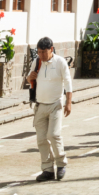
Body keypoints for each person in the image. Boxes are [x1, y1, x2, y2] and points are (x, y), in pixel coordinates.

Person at [27, 36, 72, 182]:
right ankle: (47, 170)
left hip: (56, 105)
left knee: (53, 135)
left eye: (43, 52)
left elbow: (68, 83)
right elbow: (30, 80)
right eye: (38, 52)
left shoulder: (60, 62)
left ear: (51, 49)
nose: (41, 55)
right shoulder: (37, 62)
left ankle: (61, 164)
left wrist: (69, 103)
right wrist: (29, 78)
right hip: (40, 105)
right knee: (41, 139)